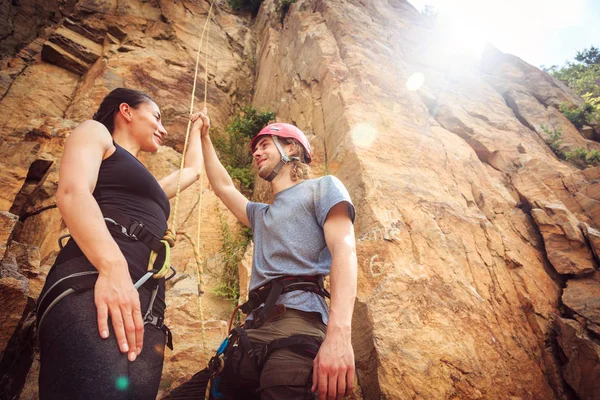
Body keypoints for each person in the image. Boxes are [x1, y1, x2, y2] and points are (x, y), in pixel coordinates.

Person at [167, 115, 357, 400]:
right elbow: (224, 187)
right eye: (255, 148)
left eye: (265, 144)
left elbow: (344, 250)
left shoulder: (323, 188)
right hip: (252, 331)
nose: (256, 153)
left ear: (291, 148)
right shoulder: (261, 214)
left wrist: (339, 334)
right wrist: (204, 137)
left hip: (298, 322)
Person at [36, 88, 208, 399]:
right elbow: (73, 193)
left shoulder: (148, 187)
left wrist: (197, 131)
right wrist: (112, 268)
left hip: (145, 304)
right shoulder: (96, 133)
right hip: (94, 281)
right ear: (126, 111)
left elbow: (192, 171)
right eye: (156, 117)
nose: (164, 128)